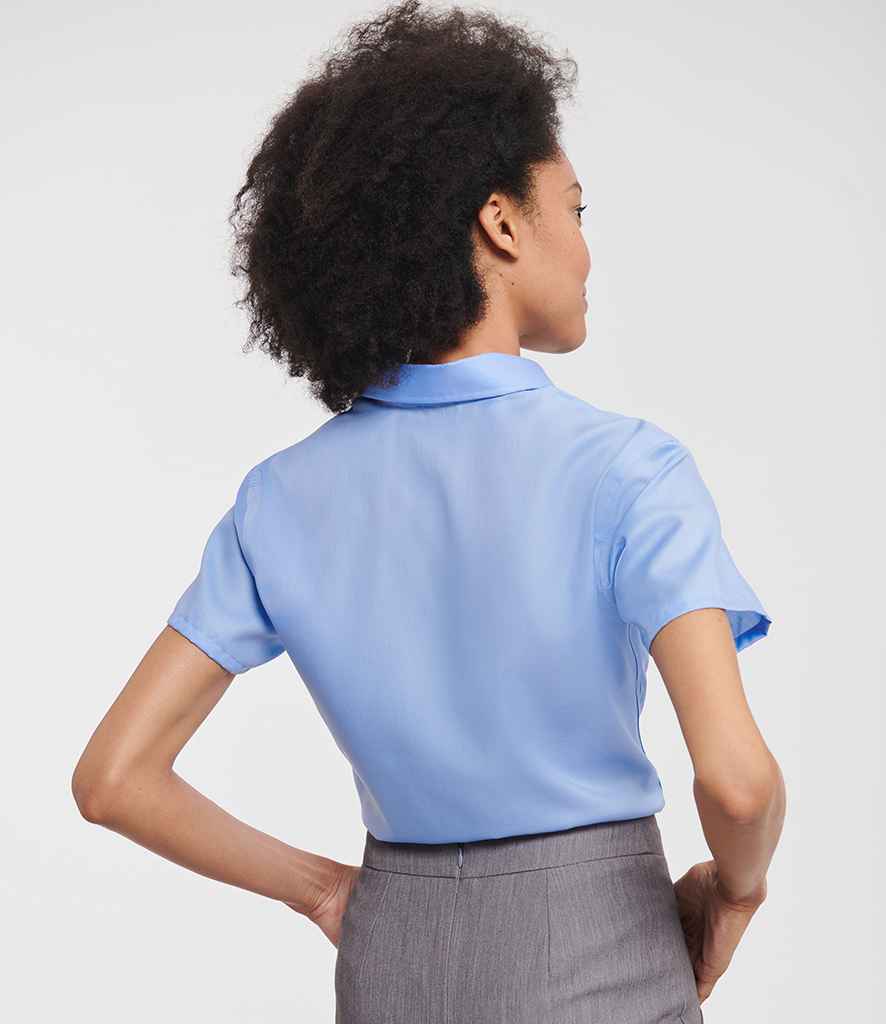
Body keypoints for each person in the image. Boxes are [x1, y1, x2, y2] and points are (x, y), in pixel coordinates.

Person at [71, 2, 786, 1021]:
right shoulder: (628, 470)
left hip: (391, 953)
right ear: (501, 222)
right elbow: (739, 785)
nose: (586, 248)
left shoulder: (281, 498)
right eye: (575, 210)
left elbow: (113, 778)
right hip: (598, 943)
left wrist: (325, 892)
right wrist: (736, 890)